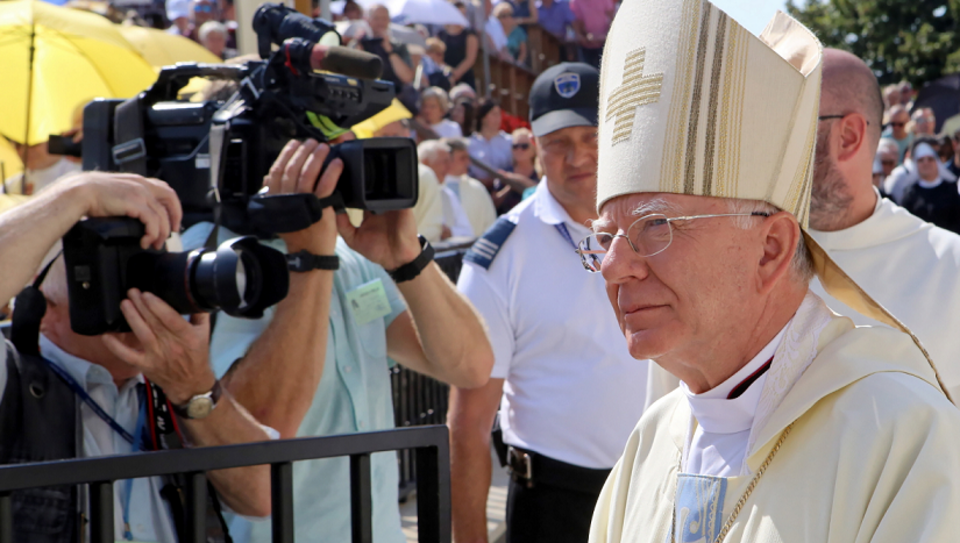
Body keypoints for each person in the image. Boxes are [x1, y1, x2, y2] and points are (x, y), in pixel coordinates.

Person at [588, 5, 960, 542]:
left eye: (657, 225)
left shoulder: (902, 437)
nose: (614, 266)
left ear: (770, 249)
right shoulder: (653, 437)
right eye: (604, 237)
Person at [180, 138, 494, 543]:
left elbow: (470, 367)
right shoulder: (204, 260)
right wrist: (310, 262)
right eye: (313, 143)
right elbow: (256, 443)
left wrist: (407, 258)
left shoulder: (353, 251)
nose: (337, 159)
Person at [0, 172, 272, 541]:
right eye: (111, 259)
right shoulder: (12, 380)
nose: (140, 283)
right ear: (37, 294)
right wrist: (79, 194)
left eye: (151, 259)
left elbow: (262, 495)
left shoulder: (166, 391)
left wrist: (195, 390)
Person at [451, 62, 648, 543]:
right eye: (558, 142)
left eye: (591, 137)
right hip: (553, 504)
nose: (577, 156)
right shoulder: (498, 259)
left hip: (655, 490)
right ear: (536, 147)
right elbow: (470, 423)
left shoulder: (661, 227)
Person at [358, 5, 416, 108]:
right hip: (366, 97)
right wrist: (358, 46)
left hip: (394, 99)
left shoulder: (398, 46)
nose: (380, 22)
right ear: (368, 20)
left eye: (384, 19)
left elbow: (407, 77)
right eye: (376, 18)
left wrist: (390, 51)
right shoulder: (360, 43)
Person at [899, 137, 960, 234]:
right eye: (921, 160)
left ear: (937, 162)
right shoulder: (910, 193)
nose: (926, 163)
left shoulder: (951, 189)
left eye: (930, 159)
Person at [419, 139, 474, 239]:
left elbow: (468, 233)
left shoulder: (447, 195)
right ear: (425, 163)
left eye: (449, 162)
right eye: (444, 162)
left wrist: (450, 232)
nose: (448, 168)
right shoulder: (408, 196)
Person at [444, 138, 497, 237]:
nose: (468, 162)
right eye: (462, 158)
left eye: (467, 157)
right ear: (447, 159)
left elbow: (490, 224)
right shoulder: (436, 186)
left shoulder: (476, 188)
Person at [468, 99, 513, 187]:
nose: (498, 118)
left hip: (505, 189)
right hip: (477, 188)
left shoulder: (509, 141)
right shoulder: (470, 143)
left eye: (499, 114)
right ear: (483, 117)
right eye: (494, 114)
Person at [438, 6, 479, 90]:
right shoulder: (440, 35)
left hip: (465, 78)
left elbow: (470, 59)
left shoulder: (470, 34)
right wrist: (448, 72)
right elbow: (436, 56)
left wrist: (456, 74)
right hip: (444, 76)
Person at [570, 0, 614, 69]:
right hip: (585, 46)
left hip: (605, 44)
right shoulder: (575, 2)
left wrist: (606, 36)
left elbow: (612, 18)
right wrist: (582, 36)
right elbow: (576, 22)